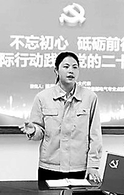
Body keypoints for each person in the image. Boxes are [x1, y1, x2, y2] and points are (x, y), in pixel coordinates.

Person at [21, 52, 103, 184]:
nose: (71, 71)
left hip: (79, 167)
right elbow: (39, 133)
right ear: (56, 70)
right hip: (49, 166)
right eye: (66, 66)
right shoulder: (43, 97)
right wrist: (33, 131)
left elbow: (95, 134)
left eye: (75, 67)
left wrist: (93, 165)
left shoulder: (90, 98)